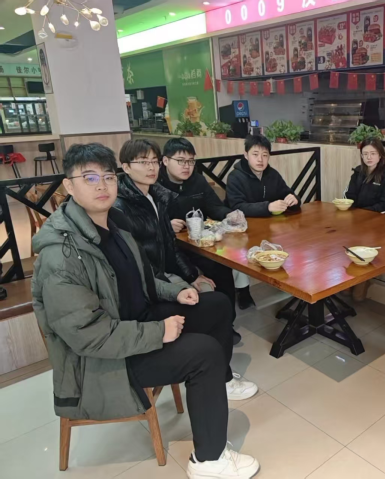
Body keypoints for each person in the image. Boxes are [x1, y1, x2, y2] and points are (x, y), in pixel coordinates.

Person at [31, 143, 260, 479]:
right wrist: (158, 331)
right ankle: (209, 460)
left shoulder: (114, 224)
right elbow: (88, 336)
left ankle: (219, 383)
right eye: (89, 178)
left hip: (133, 325)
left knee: (216, 304)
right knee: (205, 353)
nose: (101, 185)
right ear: (69, 186)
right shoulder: (62, 255)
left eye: (107, 177)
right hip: (102, 361)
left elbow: (143, 278)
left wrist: (176, 291)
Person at [114, 139, 247, 346]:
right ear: (126, 167)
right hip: (154, 278)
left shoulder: (158, 195)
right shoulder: (122, 205)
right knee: (213, 297)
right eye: (143, 162)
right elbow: (136, 262)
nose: (151, 167)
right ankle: (205, 342)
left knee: (220, 270)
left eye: (153, 161)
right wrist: (178, 284)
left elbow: (171, 242)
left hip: (183, 253)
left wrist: (191, 275)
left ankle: (222, 329)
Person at [157, 137, 255, 312]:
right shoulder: (156, 185)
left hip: (200, 243)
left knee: (222, 264)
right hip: (172, 248)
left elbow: (214, 206)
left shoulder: (198, 181)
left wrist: (228, 214)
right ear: (165, 161)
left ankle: (228, 316)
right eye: (180, 161)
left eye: (191, 161)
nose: (187, 166)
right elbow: (149, 223)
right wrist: (166, 224)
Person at [226, 134, 300, 217]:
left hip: (271, 222)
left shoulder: (273, 174)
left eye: (264, 155)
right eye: (255, 154)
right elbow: (237, 207)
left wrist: (295, 200)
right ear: (246, 155)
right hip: (244, 223)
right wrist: (267, 207)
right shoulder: (234, 177)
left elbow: (287, 194)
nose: (260, 159)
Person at [343, 138, 385, 215]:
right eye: (365, 154)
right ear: (362, 156)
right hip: (358, 217)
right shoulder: (357, 172)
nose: (369, 157)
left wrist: (363, 213)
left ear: (380, 155)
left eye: (373, 153)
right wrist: (355, 214)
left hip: (380, 218)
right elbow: (348, 198)